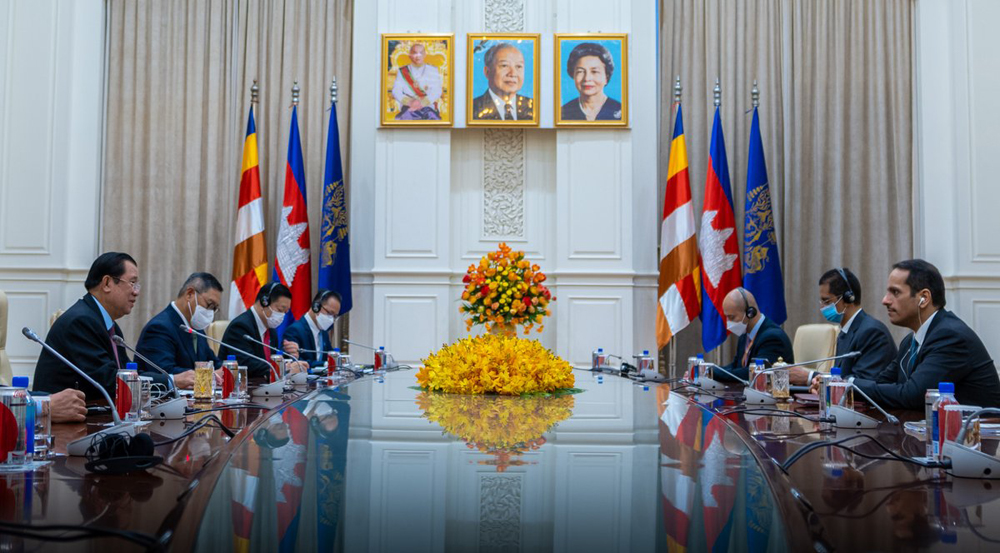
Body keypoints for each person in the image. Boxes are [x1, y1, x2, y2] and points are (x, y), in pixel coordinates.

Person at [817, 259, 1000, 410]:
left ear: (924, 298)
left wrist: (846, 383)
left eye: (895, 292)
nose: (885, 300)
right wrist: (838, 385)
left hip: (975, 443)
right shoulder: (910, 342)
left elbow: (911, 395)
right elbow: (880, 383)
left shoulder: (950, 337)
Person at [33, 252, 167, 400]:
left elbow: (128, 374)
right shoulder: (80, 322)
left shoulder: (109, 325)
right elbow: (109, 382)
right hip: (65, 419)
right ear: (107, 283)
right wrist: (170, 382)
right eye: (132, 283)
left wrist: (169, 381)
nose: (136, 292)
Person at [790, 268, 897, 385]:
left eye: (826, 301)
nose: (822, 308)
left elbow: (862, 384)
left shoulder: (872, 332)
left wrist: (811, 377)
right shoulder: (846, 331)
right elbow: (842, 377)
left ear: (848, 298)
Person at [134, 272, 224, 389]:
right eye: (209, 304)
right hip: (163, 402)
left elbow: (212, 362)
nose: (210, 312)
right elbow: (165, 372)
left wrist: (224, 369)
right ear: (190, 294)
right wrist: (208, 375)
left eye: (214, 308)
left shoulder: (197, 328)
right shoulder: (159, 327)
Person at [220, 282, 308, 378]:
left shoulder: (270, 330)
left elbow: (269, 363)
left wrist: (289, 355)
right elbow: (247, 364)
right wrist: (285, 368)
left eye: (285, 312)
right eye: (280, 310)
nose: (282, 316)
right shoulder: (240, 326)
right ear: (264, 302)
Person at [712, 287, 794, 382]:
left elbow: (755, 374)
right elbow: (735, 366)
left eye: (731, 317)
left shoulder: (772, 338)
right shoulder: (745, 334)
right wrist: (709, 370)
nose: (728, 323)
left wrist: (713, 373)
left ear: (750, 313)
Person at [560, 42, 623, 121]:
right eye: (580, 71)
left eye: (594, 71)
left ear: (606, 77)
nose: (587, 78)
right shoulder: (564, 112)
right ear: (573, 75)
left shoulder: (621, 111)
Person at [471, 42, 533, 121]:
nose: (513, 74)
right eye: (504, 65)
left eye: (518, 66)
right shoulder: (471, 109)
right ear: (487, 72)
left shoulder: (535, 107)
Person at [282, 290, 340, 368]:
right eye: (330, 313)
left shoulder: (323, 332)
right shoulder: (294, 330)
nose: (331, 319)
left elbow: (328, 354)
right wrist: (326, 364)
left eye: (334, 316)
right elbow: (297, 362)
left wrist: (339, 359)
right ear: (316, 307)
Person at [391, 42, 443, 120]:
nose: (418, 56)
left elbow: (437, 91)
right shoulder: (403, 71)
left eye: (421, 53)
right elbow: (396, 91)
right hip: (408, 107)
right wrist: (410, 102)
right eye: (415, 53)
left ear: (425, 55)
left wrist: (422, 103)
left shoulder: (433, 70)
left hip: (427, 107)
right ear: (410, 55)